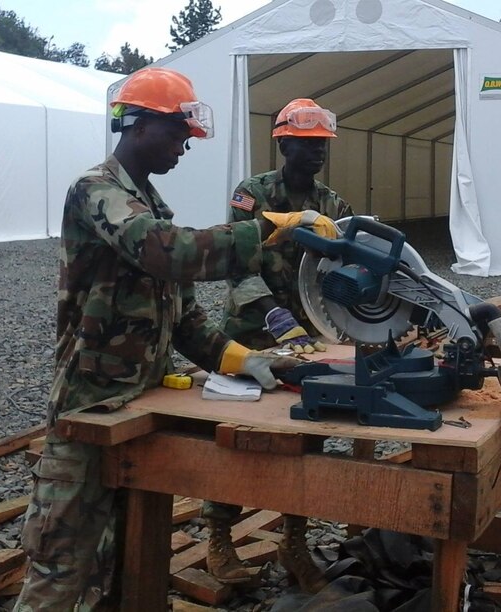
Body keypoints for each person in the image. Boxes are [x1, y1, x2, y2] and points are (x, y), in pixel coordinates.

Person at [13, 68, 339, 611]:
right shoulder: (98, 191)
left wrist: (245, 359)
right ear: (139, 126)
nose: (185, 146)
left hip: (140, 403)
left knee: (122, 560)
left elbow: (185, 318)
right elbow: (165, 252)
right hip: (90, 403)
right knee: (61, 560)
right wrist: (264, 228)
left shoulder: (150, 204)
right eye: (178, 134)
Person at [202, 98, 352, 594]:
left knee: (307, 433)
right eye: (305, 145)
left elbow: (348, 264)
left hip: (309, 340)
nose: (315, 154)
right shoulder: (254, 193)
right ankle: (220, 537)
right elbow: (235, 260)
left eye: (321, 145)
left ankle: (294, 538)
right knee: (236, 436)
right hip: (250, 334)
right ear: (282, 142)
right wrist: (272, 312)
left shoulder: (333, 206)